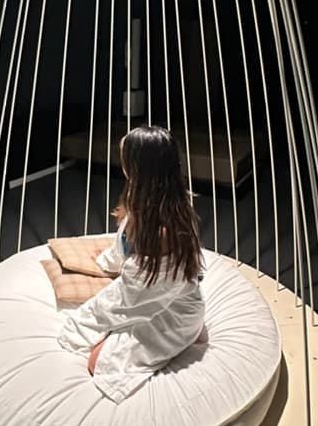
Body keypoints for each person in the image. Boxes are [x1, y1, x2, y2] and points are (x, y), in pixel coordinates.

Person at [57, 125, 206, 403]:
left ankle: (189, 332)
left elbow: (136, 296)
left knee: (97, 362)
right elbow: (122, 252)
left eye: (126, 160)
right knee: (92, 329)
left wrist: (90, 319)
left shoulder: (167, 230)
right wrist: (106, 263)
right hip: (154, 297)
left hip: (173, 311)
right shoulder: (141, 200)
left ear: (140, 168)